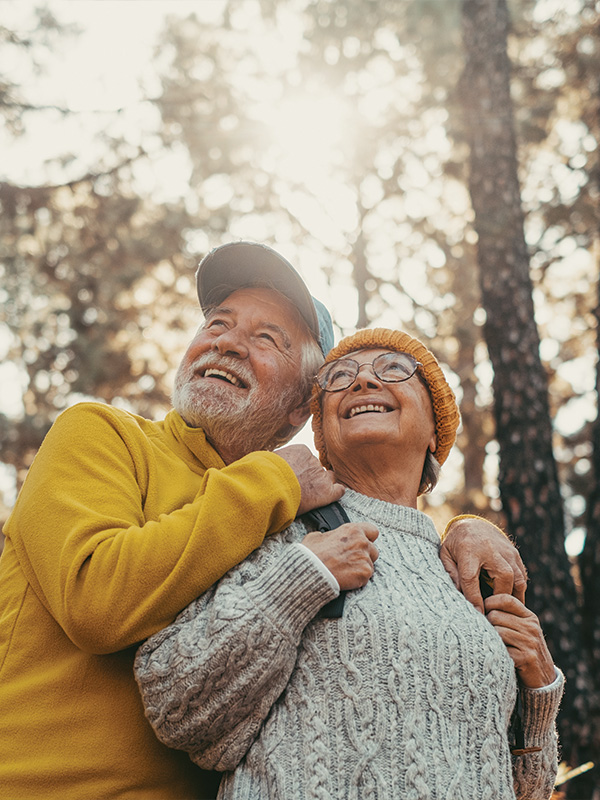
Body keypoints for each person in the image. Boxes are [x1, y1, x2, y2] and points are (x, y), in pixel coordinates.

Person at [0, 241, 525, 800]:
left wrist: (465, 528)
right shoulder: (104, 435)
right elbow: (95, 600)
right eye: (218, 324)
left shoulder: (299, 519)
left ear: (302, 409)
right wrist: (272, 483)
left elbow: (390, 526)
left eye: (266, 338)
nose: (225, 341)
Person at [135, 327, 564, 800]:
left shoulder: (467, 571)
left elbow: (526, 791)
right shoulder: (282, 530)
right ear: (323, 435)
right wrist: (298, 578)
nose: (362, 383)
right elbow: (176, 708)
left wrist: (539, 696)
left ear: (436, 428)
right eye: (340, 378)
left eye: (394, 369)